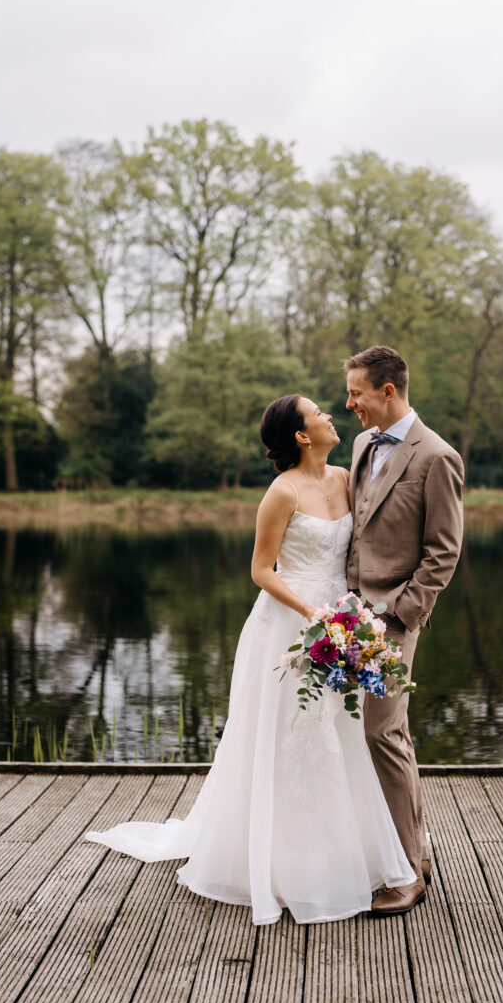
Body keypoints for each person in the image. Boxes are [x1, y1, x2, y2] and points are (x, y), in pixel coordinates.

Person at [85, 393, 414, 926]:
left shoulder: (345, 480)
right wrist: (311, 611)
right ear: (302, 436)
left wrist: (351, 617)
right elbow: (262, 570)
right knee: (286, 734)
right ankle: (278, 862)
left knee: (336, 734)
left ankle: (338, 855)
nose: (331, 415)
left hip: (343, 622)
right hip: (288, 626)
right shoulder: (281, 493)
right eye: (318, 414)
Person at [345, 346, 464, 916]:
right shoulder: (363, 444)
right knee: (383, 735)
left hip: (395, 619)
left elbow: (442, 554)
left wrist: (399, 614)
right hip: (348, 616)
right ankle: (409, 849)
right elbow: (360, 528)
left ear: (387, 391)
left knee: (382, 734)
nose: (350, 405)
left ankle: (409, 873)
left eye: (357, 394)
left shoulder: (437, 457)